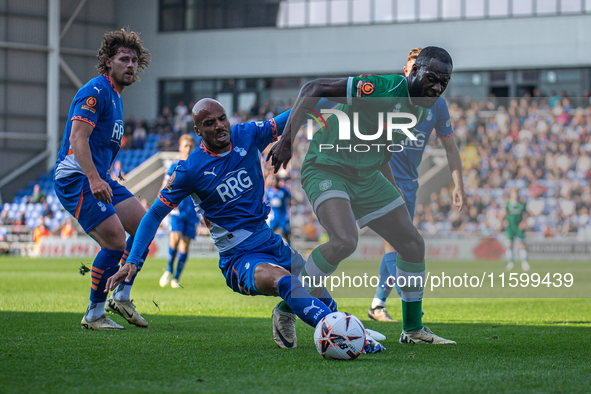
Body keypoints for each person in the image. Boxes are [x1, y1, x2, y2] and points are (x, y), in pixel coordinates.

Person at [107, 99, 381, 350]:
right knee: (283, 280)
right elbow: (154, 214)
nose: (219, 126)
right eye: (209, 123)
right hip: (238, 257)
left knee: (319, 292)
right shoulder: (189, 170)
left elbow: (299, 111)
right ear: (197, 130)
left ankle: (296, 315)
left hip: (269, 240)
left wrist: (340, 95)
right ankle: (342, 335)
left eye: (222, 118)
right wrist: (133, 259)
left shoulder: (247, 135)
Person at [268, 46, 456, 344]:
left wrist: (392, 190)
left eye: (443, 82)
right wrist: (287, 141)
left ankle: (413, 330)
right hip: (327, 167)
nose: (436, 87)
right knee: (345, 240)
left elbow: (382, 149)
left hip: (367, 176)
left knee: (412, 244)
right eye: (431, 78)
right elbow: (313, 88)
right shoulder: (381, 88)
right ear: (413, 71)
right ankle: (288, 308)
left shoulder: (422, 107)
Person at [53, 28, 151, 330]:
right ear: (108, 62)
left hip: (100, 175)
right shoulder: (96, 91)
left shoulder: (116, 97)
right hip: (76, 177)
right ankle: (94, 313)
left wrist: (105, 175)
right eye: (124, 59)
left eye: (134, 60)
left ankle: (121, 295)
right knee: (116, 241)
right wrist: (96, 179)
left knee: (145, 226)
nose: (130, 65)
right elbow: (77, 138)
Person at [368, 48, 466, 323]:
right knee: (394, 244)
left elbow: (450, 148)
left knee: (396, 245)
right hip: (379, 179)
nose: (410, 74)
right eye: (409, 68)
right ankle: (410, 304)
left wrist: (459, 184)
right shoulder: (392, 96)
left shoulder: (437, 105)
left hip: (409, 185)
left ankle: (377, 304)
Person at [159, 134, 199, 288]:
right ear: (180, 148)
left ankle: (176, 278)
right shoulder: (173, 166)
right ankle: (169, 269)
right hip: (177, 209)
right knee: (175, 240)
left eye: (190, 146)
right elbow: (165, 187)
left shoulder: (197, 167)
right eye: (185, 146)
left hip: (192, 211)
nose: (188, 149)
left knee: (185, 245)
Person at [503, 188, 530, 271]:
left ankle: (524, 262)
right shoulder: (508, 204)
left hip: (519, 227)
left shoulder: (521, 204)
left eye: (516, 193)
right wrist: (504, 221)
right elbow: (505, 214)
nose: (515, 195)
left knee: (522, 244)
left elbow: (526, 214)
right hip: (511, 227)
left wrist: (524, 222)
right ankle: (510, 263)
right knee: (509, 245)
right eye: (514, 193)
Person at [265, 176, 291, 242]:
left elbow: (290, 199)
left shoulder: (283, 190)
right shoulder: (269, 191)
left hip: (283, 215)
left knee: (286, 232)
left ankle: (289, 247)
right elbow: (266, 202)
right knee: (270, 232)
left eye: (275, 180)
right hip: (274, 215)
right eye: (273, 181)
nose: (274, 182)